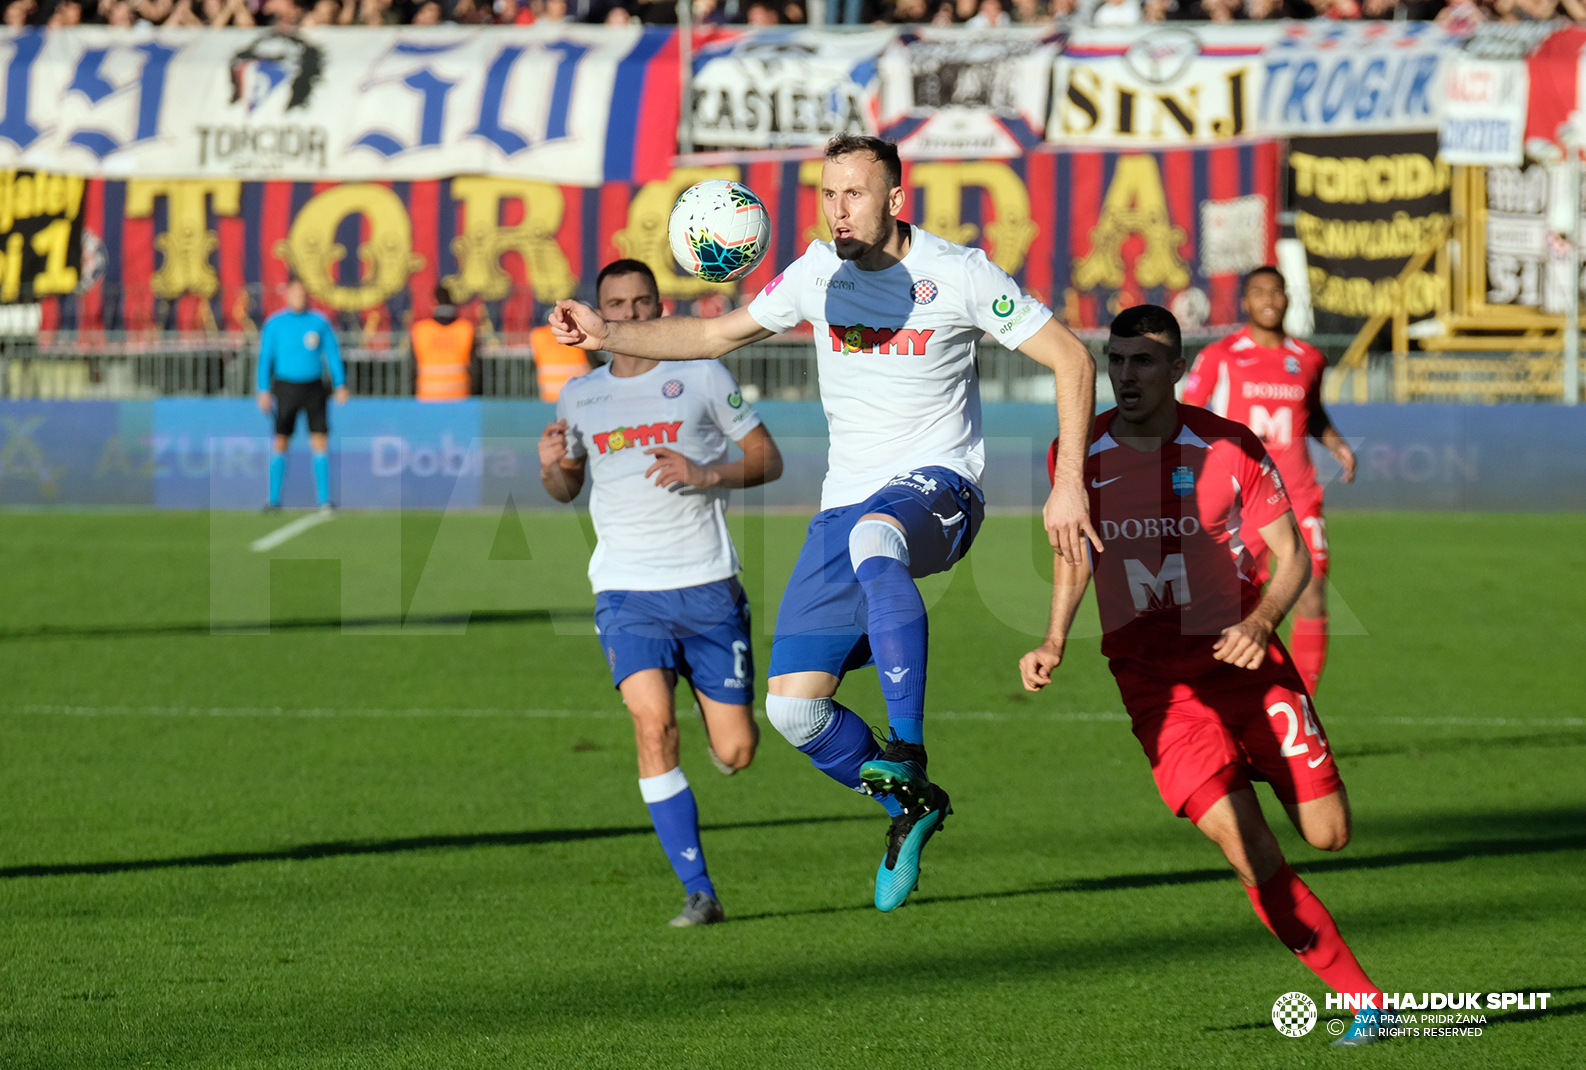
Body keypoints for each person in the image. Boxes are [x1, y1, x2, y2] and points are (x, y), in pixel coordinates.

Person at [550, 135, 1099, 913]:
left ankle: (905, 752)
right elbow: (712, 335)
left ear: (895, 200)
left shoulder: (960, 273)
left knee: (878, 535)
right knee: (793, 710)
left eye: (855, 194)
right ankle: (910, 808)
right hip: (846, 504)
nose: (839, 210)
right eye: (828, 194)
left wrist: (1068, 484)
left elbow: (1072, 358)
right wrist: (606, 336)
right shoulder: (814, 273)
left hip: (939, 487)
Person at [1019, 305, 1390, 1047]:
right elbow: (1075, 551)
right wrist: (1054, 637)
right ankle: (1367, 1002)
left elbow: (1294, 558)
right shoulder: (1078, 452)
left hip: (1246, 664)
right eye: (1117, 360)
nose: (1126, 375)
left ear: (1178, 369)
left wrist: (1260, 624)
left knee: (1329, 833)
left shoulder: (1229, 447)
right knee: (1248, 849)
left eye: (1144, 362)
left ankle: (1255, 755)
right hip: (1156, 686)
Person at [538, 259, 784, 928]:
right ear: (597, 314)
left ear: (658, 305)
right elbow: (568, 489)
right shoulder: (580, 395)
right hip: (627, 593)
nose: (630, 314)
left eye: (642, 302)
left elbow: (769, 459)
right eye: (615, 303)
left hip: (707, 589)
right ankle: (698, 890)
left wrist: (707, 473)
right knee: (652, 725)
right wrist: (550, 467)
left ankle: (721, 723)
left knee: (735, 752)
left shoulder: (702, 375)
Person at [1181, 267, 1356, 695]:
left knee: (1311, 591)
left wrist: (1336, 444)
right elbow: (1188, 414)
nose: (1269, 300)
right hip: (1243, 498)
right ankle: (1235, 698)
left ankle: (1304, 705)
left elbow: (1311, 413)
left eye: (1275, 292)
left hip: (1299, 493)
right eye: (1258, 292)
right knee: (1240, 601)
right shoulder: (1220, 355)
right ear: (1246, 301)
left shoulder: (1309, 358)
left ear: (1287, 298)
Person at [257, 279, 347, 511]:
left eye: (302, 293)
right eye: (294, 293)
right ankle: (274, 500)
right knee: (280, 440)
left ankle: (324, 500)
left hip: (314, 387)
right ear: (287, 295)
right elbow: (265, 358)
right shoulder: (275, 323)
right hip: (286, 387)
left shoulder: (319, 322)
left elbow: (332, 354)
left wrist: (340, 383)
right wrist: (263, 389)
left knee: (319, 439)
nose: (299, 297)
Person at [409, 285, 481, 401]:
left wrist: (412, 395)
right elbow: (476, 368)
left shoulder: (420, 330)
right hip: (460, 397)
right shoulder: (466, 329)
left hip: (427, 397)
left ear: (434, 302)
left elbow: (411, 368)